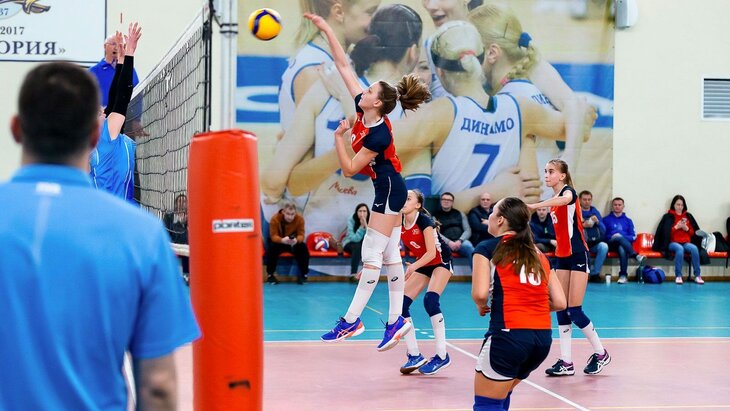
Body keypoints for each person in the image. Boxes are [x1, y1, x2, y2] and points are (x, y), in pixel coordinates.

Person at [1, 62, 199, 410]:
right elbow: (158, 385)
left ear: (16, 129)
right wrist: (127, 59)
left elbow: (119, 100)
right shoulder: (143, 235)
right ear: (94, 134)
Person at [307, 12, 431, 350]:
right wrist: (326, 28)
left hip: (389, 189)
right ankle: (394, 321)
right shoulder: (364, 109)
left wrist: (338, 137)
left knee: (371, 251)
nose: (363, 90)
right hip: (388, 187)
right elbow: (343, 66)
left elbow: (350, 169)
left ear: (377, 102)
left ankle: (352, 320)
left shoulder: (378, 135)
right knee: (390, 256)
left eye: (370, 90)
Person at [389, 21, 584, 213]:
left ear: (439, 72)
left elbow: (377, 142)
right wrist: (547, 75)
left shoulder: (441, 112)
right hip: (500, 228)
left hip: (453, 227)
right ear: (481, 62)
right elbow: (578, 121)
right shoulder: (521, 108)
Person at [262, 4, 423, 235]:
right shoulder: (414, 110)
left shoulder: (326, 82)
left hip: (312, 230)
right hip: (369, 235)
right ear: (413, 52)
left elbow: (277, 181)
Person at [468, 3, 594, 178]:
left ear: (492, 53)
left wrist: (570, 160)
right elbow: (578, 111)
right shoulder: (532, 72)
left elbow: (576, 107)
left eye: (469, 51)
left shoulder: (512, 98)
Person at [472, 197, 566, 411]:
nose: (490, 216)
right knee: (501, 394)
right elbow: (560, 302)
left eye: (493, 212)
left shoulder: (487, 248)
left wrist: (480, 304)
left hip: (509, 335)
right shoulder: (538, 253)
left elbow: (480, 294)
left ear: (500, 220)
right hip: (541, 340)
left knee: (487, 404)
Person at [528, 159, 611, 376]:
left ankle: (601, 353)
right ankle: (566, 361)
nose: (547, 175)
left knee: (574, 310)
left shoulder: (569, 193)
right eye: (545, 171)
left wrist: (534, 206)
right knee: (561, 307)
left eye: (551, 171)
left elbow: (565, 199)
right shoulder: (555, 200)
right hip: (562, 257)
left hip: (578, 255)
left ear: (562, 175)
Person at [399, 190, 453, 375]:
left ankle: (442, 355)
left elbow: (431, 253)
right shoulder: (398, 222)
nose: (404, 201)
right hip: (423, 263)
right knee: (400, 305)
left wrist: (413, 267)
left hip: (440, 261)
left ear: (418, 205)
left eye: (408, 198)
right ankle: (414, 355)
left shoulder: (424, 221)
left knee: (430, 301)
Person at [89, 25, 141, 204]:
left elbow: (113, 100)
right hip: (115, 210)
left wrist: (120, 61)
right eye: (100, 112)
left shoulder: (96, 139)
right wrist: (130, 53)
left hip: (104, 207)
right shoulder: (105, 135)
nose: (104, 113)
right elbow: (122, 97)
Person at [653, 195, 704, 284]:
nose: (680, 207)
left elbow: (694, 233)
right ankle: (678, 276)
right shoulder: (668, 216)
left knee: (694, 248)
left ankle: (697, 276)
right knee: (680, 249)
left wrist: (686, 228)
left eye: (682, 205)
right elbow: (665, 234)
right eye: (678, 204)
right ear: (674, 205)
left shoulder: (688, 216)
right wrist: (676, 227)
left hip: (686, 242)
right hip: (673, 243)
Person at [89, 33, 140, 107]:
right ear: (105, 46)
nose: (116, 48)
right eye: (113, 44)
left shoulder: (128, 69)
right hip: (101, 113)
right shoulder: (94, 71)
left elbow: (136, 91)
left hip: (125, 112)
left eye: (119, 44)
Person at [602, 197, 646, 284]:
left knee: (622, 248)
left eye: (619, 205)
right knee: (617, 237)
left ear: (623, 206)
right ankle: (634, 255)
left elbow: (633, 237)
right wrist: (613, 236)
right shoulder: (606, 219)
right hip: (610, 244)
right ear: (612, 206)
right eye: (615, 205)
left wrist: (621, 236)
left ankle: (623, 276)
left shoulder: (628, 221)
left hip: (623, 245)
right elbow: (603, 236)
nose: (617, 206)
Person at [267, 201, 310, 285]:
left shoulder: (300, 219)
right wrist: (282, 240)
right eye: (288, 214)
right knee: (271, 248)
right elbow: (273, 236)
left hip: (293, 242)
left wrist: (296, 240)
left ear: (295, 213)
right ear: (283, 212)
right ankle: (270, 275)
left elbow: (301, 235)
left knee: (303, 248)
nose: (290, 217)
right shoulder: (275, 219)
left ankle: (304, 275)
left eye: (292, 214)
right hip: (280, 242)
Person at [433, 191, 475, 263]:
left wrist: (460, 240)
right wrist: (449, 242)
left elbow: (468, 230)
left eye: (449, 200)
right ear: (440, 201)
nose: (446, 201)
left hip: (461, 242)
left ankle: (477, 270)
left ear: (452, 202)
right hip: (444, 243)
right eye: (444, 199)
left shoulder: (460, 214)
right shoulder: (435, 216)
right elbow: (436, 233)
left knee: (469, 247)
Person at [579, 190, 608, 283]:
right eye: (584, 199)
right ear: (580, 200)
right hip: (581, 242)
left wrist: (598, 222)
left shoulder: (594, 211)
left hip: (594, 242)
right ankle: (584, 275)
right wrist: (583, 225)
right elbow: (570, 228)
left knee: (604, 246)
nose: (587, 202)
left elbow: (603, 230)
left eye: (589, 199)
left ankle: (595, 274)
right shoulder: (576, 211)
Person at [342, 203, 370, 279]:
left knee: (369, 248)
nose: (362, 214)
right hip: (349, 243)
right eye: (360, 211)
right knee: (357, 246)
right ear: (356, 212)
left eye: (364, 211)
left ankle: (369, 275)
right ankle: (353, 274)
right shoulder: (351, 219)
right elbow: (354, 238)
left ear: (368, 212)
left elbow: (371, 238)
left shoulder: (371, 220)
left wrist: (365, 224)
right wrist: (361, 227)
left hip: (364, 244)